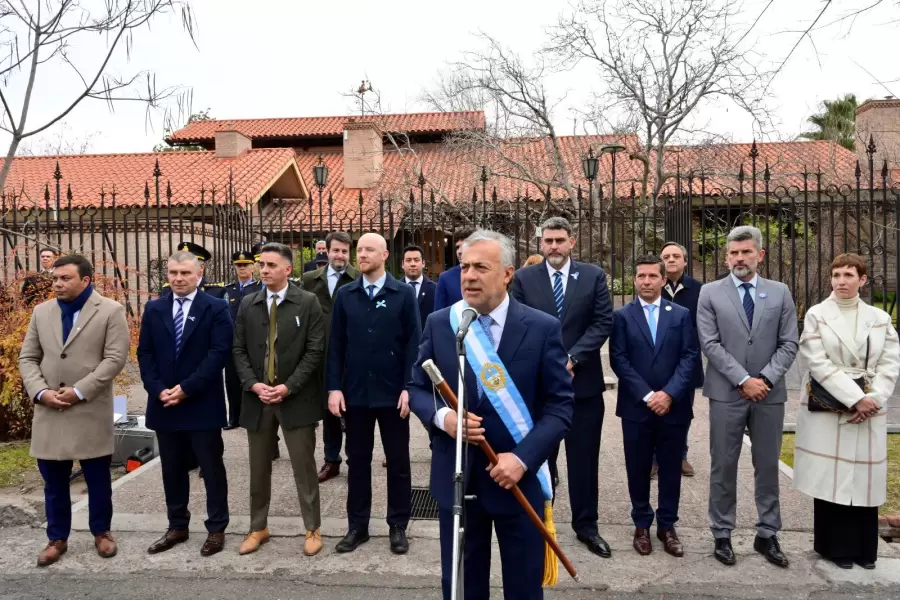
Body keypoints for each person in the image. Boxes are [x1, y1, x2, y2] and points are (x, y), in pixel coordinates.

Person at [409, 229, 574, 600]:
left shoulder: (542, 327)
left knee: (523, 587)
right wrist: (444, 419)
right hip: (458, 478)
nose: (468, 275)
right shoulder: (441, 323)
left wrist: (522, 458)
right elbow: (417, 388)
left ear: (507, 274)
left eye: (481, 267)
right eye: (465, 266)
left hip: (518, 480)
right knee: (464, 586)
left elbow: (560, 406)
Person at [510, 216, 613, 559]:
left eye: (559, 240)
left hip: (582, 386)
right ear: (541, 242)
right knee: (540, 460)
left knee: (584, 461)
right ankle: (539, 523)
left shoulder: (593, 276)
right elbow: (518, 323)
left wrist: (572, 359)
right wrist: (552, 362)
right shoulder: (525, 278)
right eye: (548, 240)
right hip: (540, 390)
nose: (553, 246)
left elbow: (602, 322)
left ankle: (587, 527)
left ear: (572, 241)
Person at [696, 225, 799, 568]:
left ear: (760, 254)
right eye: (734, 253)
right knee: (723, 465)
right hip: (727, 392)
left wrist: (765, 379)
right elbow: (710, 344)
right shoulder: (710, 293)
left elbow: (789, 343)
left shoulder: (780, 292)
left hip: (769, 394)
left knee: (767, 465)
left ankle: (767, 533)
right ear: (726, 256)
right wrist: (743, 379)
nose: (740, 258)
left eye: (746, 252)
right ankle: (722, 533)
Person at [19, 254, 130, 567]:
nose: (57, 284)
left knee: (97, 480)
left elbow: (114, 359)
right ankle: (57, 538)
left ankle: (102, 532)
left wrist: (80, 390)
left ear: (85, 280)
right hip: (49, 409)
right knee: (54, 482)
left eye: (65, 278)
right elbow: (28, 358)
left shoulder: (110, 310)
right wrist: (40, 391)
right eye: (55, 278)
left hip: (89, 408)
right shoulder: (41, 312)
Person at [794, 253, 900, 570]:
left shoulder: (879, 319)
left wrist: (875, 398)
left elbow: (889, 363)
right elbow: (816, 359)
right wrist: (855, 398)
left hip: (870, 405)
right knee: (832, 476)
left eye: (849, 275)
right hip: (830, 402)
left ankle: (865, 550)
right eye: (837, 275)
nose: (842, 281)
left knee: (863, 478)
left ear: (862, 279)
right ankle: (834, 547)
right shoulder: (817, 315)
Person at [326, 232, 421, 555]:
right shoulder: (346, 295)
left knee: (398, 462)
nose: (361, 254)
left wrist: (410, 386)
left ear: (384, 256)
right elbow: (335, 345)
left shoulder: (403, 294)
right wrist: (334, 387)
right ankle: (358, 526)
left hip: (393, 393)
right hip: (355, 394)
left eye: (369, 249)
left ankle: (398, 525)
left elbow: (414, 344)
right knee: (358, 461)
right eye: (359, 249)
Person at [232, 242, 327, 557]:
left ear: (288, 269)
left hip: (295, 399)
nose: (265, 270)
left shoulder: (308, 302)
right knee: (258, 468)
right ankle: (258, 526)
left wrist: (289, 386)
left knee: (304, 467)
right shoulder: (249, 303)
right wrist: (254, 385)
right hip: (258, 400)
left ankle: (312, 528)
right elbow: (239, 350)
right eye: (263, 265)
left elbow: (315, 350)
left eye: (272, 265)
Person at [137, 250, 233, 557]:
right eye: (173, 273)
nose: (178, 278)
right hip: (164, 403)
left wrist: (187, 388)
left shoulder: (216, 308)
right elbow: (145, 354)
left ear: (199, 273)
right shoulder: (154, 309)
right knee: (172, 469)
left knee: (211, 468)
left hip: (201, 402)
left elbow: (218, 353)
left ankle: (216, 528)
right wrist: (157, 389)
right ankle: (177, 525)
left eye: (185, 273)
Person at [610, 255, 698, 558]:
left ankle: (667, 525)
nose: (646, 281)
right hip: (636, 407)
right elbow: (618, 359)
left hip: (674, 407)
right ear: (634, 280)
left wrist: (669, 394)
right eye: (641, 276)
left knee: (671, 468)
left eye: (652, 276)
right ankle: (641, 524)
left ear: (663, 279)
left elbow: (690, 356)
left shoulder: (681, 314)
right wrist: (648, 396)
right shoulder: (622, 316)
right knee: (638, 467)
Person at [301, 231, 359, 483]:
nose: (340, 256)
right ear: (327, 250)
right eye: (336, 250)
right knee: (329, 412)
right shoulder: (310, 279)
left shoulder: (359, 278)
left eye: (345, 251)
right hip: (322, 354)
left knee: (354, 412)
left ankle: (355, 459)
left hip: (353, 355)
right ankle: (331, 460)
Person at [651, 241, 704, 478]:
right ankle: (654, 458)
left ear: (684, 260)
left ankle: (680, 455)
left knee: (683, 411)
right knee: (654, 410)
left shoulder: (699, 290)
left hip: (686, 361)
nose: (670, 260)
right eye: (666, 256)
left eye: (675, 256)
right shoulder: (652, 286)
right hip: (655, 362)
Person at [222, 250, 262, 430]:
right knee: (231, 380)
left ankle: (253, 416)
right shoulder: (228, 289)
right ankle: (234, 417)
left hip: (252, 340)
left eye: (245, 265)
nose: (242, 268)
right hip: (232, 340)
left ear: (253, 266)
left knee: (253, 378)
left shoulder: (259, 288)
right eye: (238, 265)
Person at [160, 242, 225, 298]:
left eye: (186, 271)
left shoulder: (216, 292)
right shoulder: (167, 290)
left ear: (201, 267)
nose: (179, 278)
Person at [434, 227, 475, 311]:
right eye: (457, 247)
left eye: (463, 246)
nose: (459, 251)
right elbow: (438, 315)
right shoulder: (445, 278)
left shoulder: (487, 274)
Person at [401, 244, 437, 327]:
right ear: (403, 264)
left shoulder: (435, 289)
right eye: (408, 260)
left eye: (416, 260)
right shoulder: (395, 289)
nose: (413, 264)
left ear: (423, 263)